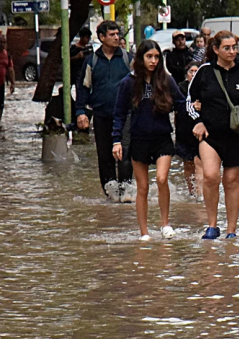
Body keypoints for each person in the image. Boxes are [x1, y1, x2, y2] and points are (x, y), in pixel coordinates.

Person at [187, 30, 239, 240]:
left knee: (231, 180)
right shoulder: (204, 72)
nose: (232, 52)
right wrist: (197, 121)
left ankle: (232, 230)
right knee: (211, 176)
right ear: (215, 50)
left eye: (234, 47)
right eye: (227, 48)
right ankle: (212, 225)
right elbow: (189, 101)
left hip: (237, 135)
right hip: (211, 134)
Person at [112, 40, 185, 241]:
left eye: (156, 57)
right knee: (142, 187)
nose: (153, 61)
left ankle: (165, 224)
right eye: (149, 57)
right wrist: (116, 141)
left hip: (162, 138)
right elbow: (119, 114)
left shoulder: (166, 80)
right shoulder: (128, 83)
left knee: (162, 179)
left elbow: (181, 104)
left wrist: (195, 109)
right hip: (139, 139)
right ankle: (144, 232)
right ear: (140, 58)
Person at [76, 20, 134, 201]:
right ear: (101, 37)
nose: (117, 37)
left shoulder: (128, 59)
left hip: (126, 115)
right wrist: (80, 111)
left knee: (125, 154)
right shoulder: (92, 61)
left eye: (118, 34)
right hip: (101, 115)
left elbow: (141, 83)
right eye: (112, 34)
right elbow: (83, 87)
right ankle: (110, 195)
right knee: (104, 156)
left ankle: (125, 195)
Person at [176, 63, 203, 198]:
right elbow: (177, 104)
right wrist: (190, 106)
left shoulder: (204, 86)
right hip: (184, 130)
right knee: (188, 163)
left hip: (200, 128)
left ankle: (200, 192)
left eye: (196, 71)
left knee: (199, 161)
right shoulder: (180, 87)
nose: (193, 74)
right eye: (191, 71)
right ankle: (191, 191)